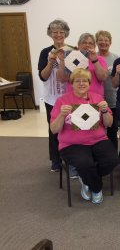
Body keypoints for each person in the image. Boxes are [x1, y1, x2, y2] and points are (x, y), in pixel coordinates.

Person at [50, 68, 120, 204]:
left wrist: (105, 111)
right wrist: (61, 115)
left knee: (112, 160)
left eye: (85, 81)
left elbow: (109, 124)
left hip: (98, 139)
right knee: (84, 163)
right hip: (71, 144)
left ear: (89, 83)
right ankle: (96, 188)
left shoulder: (97, 98)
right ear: (71, 83)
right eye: (77, 81)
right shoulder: (62, 101)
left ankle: (87, 179)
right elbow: (54, 129)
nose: (81, 83)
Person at [38, 19, 75, 172]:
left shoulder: (73, 50)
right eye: (55, 32)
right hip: (52, 98)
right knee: (54, 129)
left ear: (65, 33)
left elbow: (77, 74)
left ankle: (72, 159)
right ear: (50, 34)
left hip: (69, 96)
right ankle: (56, 160)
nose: (58, 35)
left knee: (72, 127)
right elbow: (43, 76)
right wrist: (50, 62)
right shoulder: (45, 52)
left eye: (61, 32)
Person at [96, 30, 119, 151]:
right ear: (96, 42)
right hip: (95, 100)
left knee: (112, 130)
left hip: (112, 100)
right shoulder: (92, 58)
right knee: (96, 130)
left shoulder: (116, 58)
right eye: (101, 40)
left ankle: (113, 155)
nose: (103, 42)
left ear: (110, 42)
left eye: (106, 40)